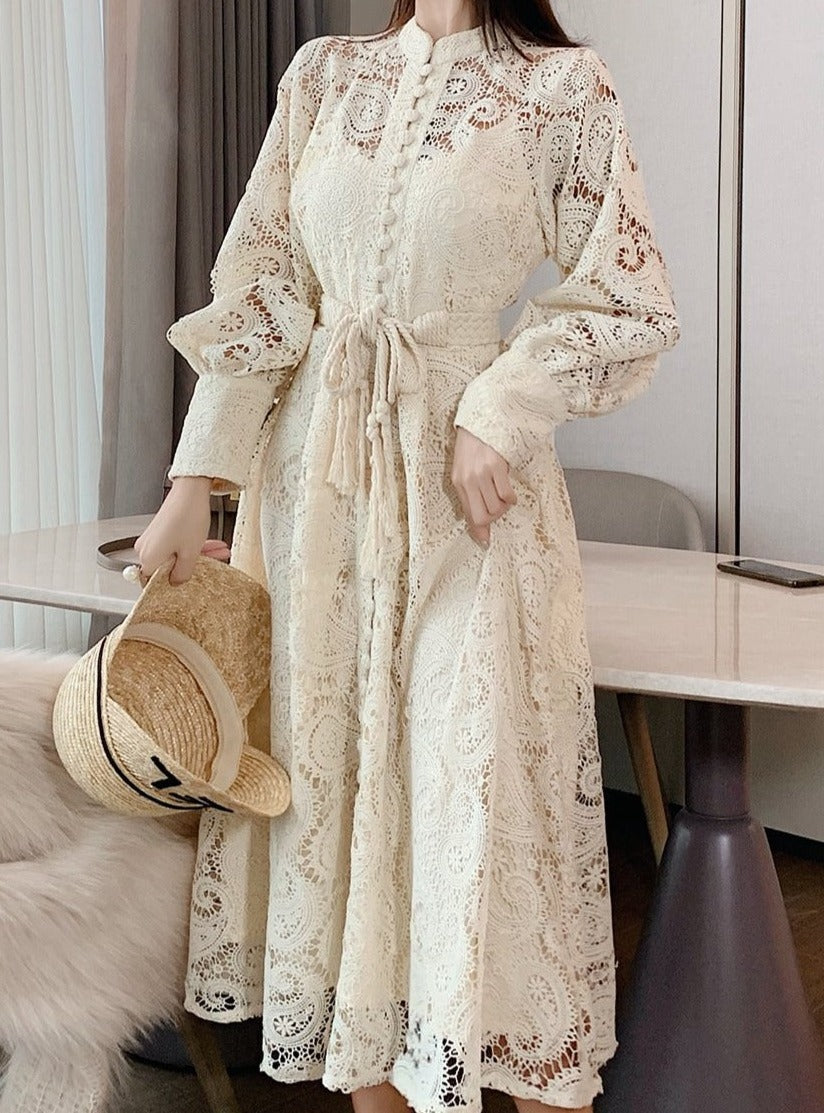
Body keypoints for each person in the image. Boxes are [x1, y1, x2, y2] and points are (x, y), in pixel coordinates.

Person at [134, 1, 681, 1110]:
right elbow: (267, 286)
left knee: (475, 796)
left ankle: (534, 1074)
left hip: (465, 504)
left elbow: (627, 300)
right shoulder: (324, 76)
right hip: (317, 499)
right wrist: (196, 482)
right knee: (340, 804)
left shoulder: (560, 88)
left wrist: (499, 408)